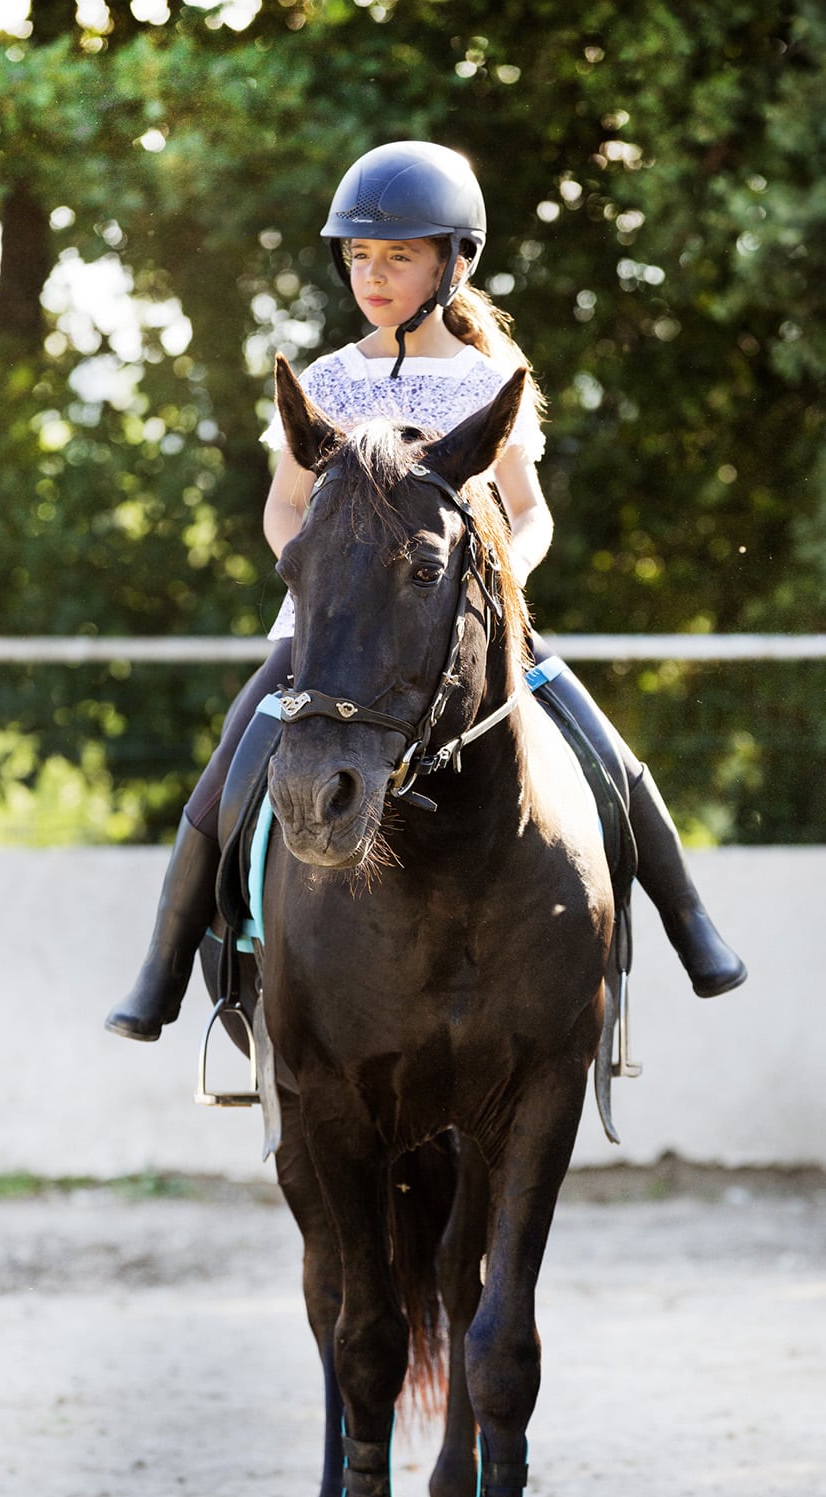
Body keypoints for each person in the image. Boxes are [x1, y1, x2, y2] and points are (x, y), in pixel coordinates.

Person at [105, 141, 746, 1043]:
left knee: (607, 758)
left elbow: (531, 512)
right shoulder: (324, 381)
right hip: (329, 634)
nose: (373, 274)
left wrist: (501, 579)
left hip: (467, 629)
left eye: (398, 255)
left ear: (453, 260)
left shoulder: (488, 384)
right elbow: (283, 509)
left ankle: (694, 930)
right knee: (231, 768)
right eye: (359, 256)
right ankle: (162, 972)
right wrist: (315, 575)